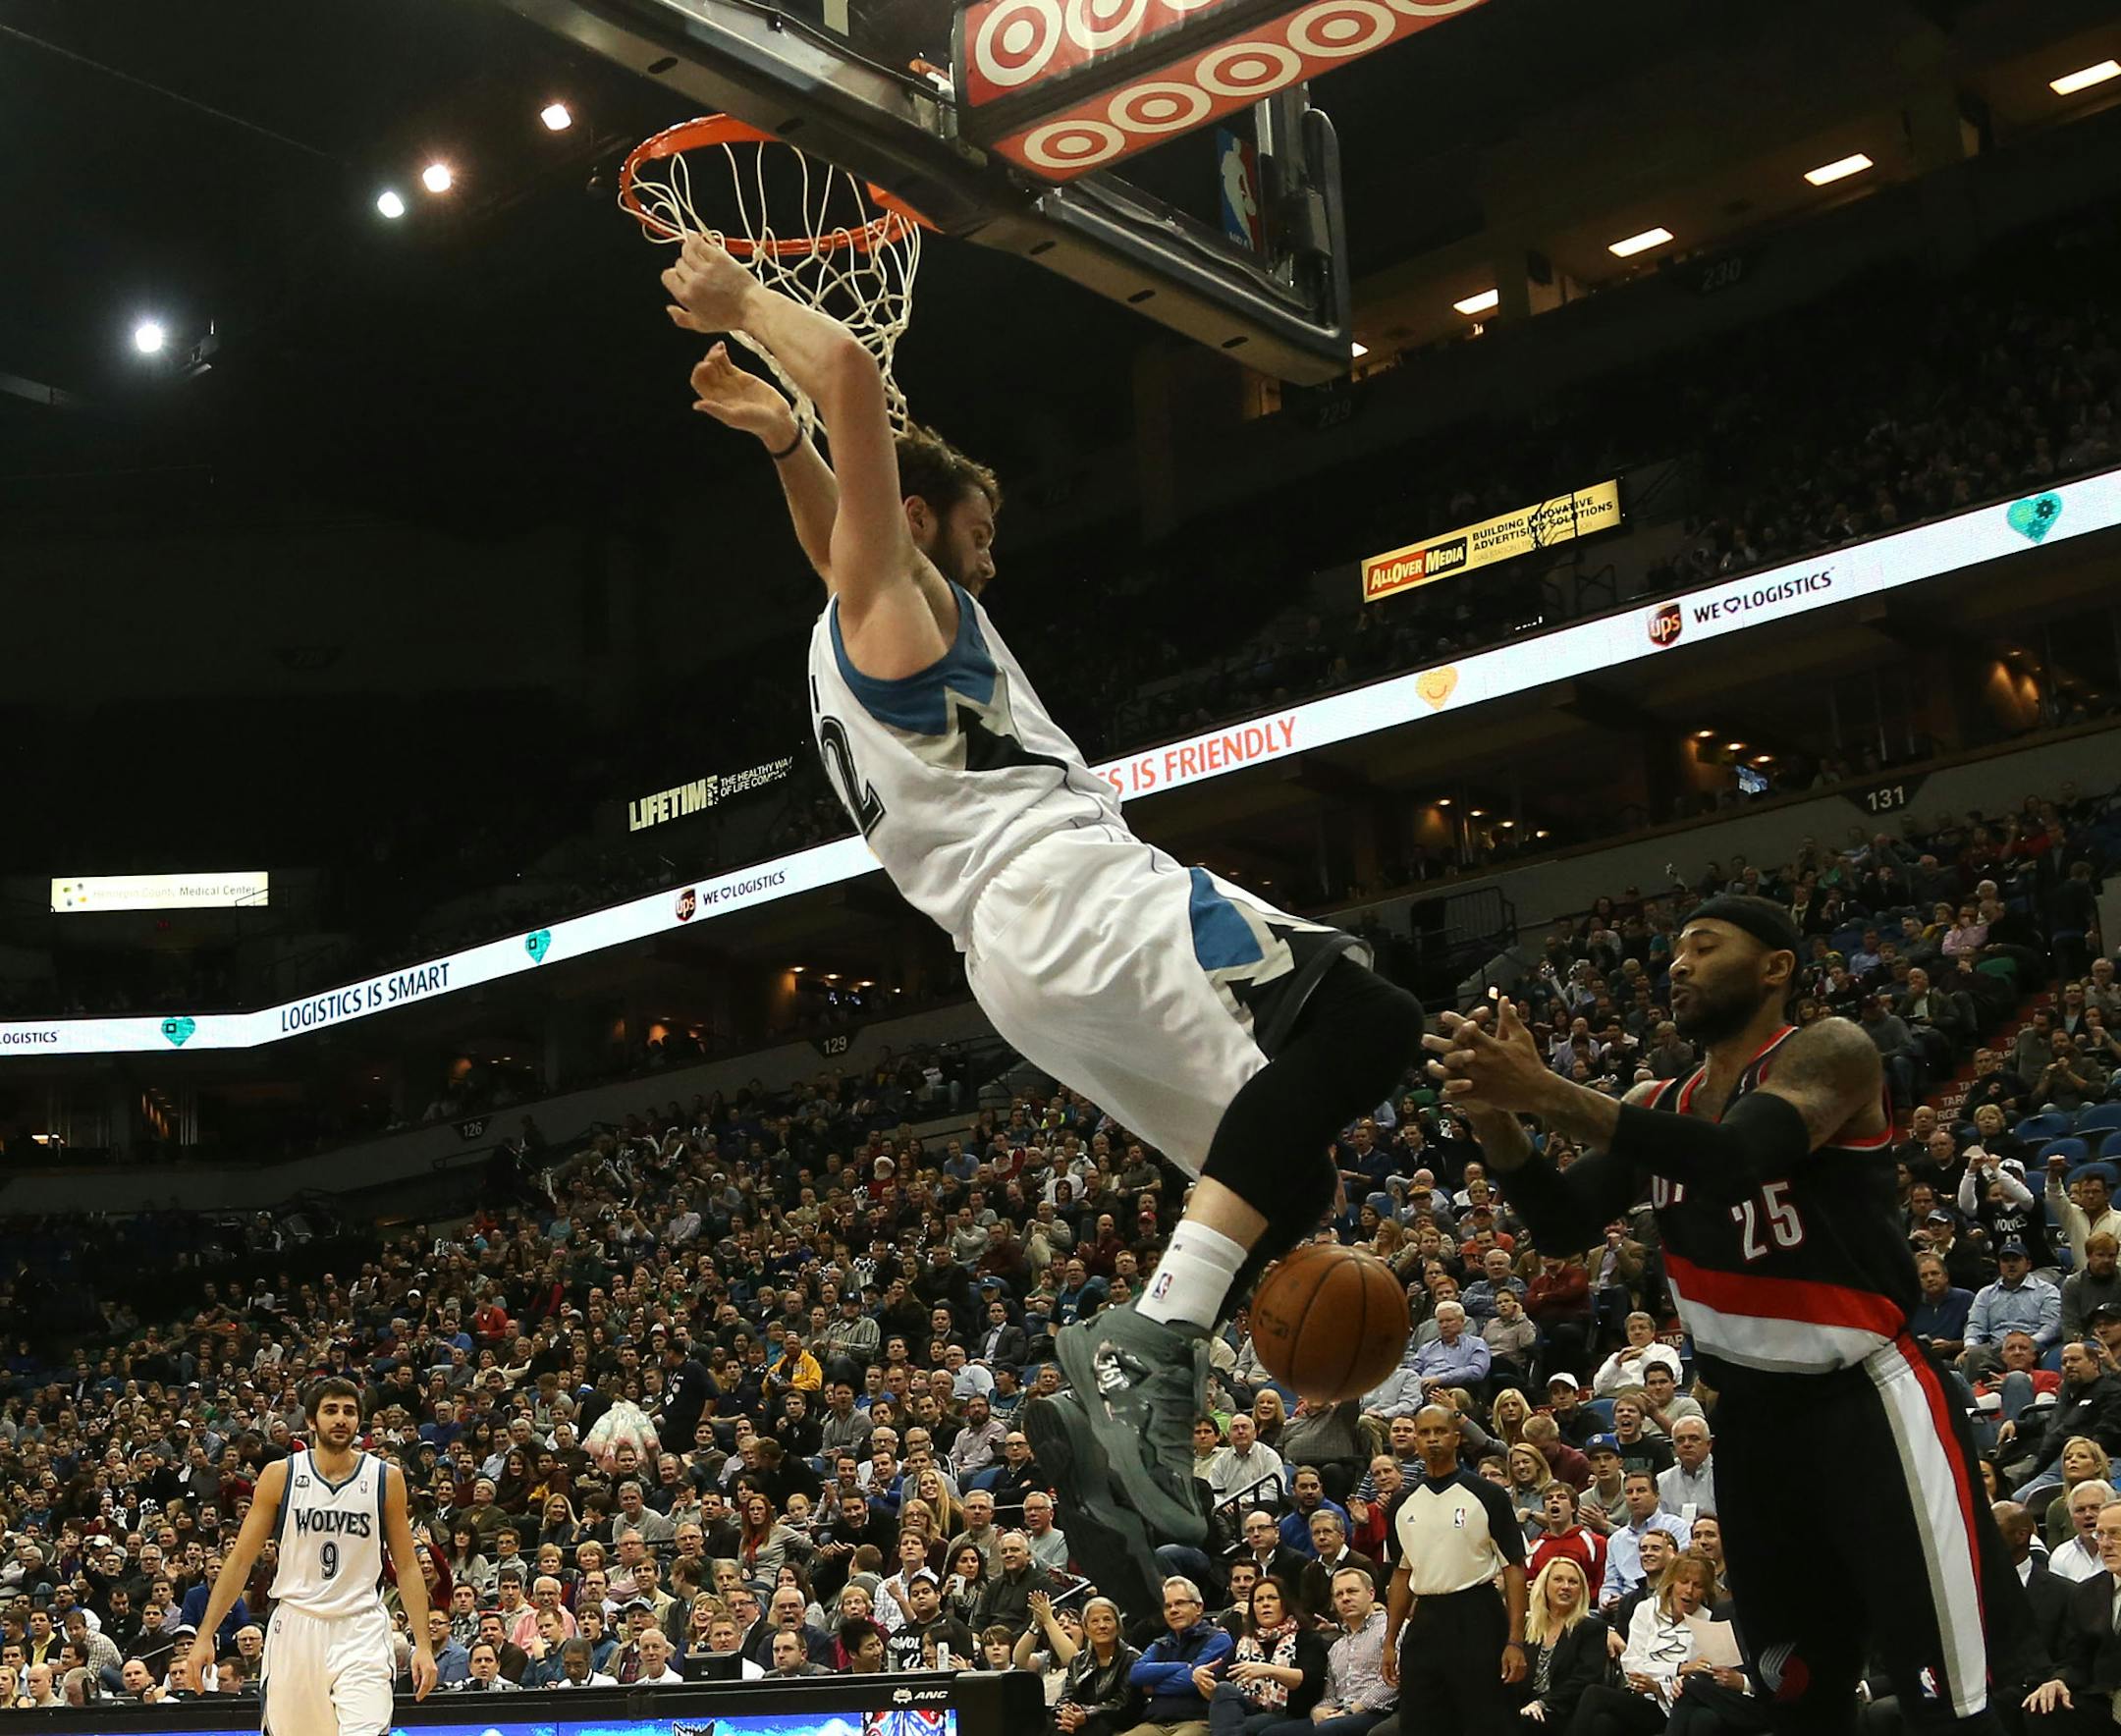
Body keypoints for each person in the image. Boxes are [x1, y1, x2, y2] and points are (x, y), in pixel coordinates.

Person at [664, 234, 1427, 1614]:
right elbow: (852, 375)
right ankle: (1154, 1342)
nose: (991, 562)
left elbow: (834, 534)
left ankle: (1118, 1443)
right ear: (922, 518)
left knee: (1290, 1182)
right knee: (1370, 1019)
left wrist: (782, 441)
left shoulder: (845, 633)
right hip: (1076, 892)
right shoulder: (903, 605)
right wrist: (754, 314)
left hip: (1012, 960)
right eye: (979, 534)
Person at [1428, 895, 2021, 1730]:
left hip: (1869, 1404)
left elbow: (1735, 1154)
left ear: (1776, 968)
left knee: (1950, 1692)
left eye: (1704, 947)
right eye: (1676, 950)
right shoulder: (1660, 1101)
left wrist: (1542, 1088)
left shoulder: (1830, 1050)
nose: (1679, 964)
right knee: (1795, 1689)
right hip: (1750, 1426)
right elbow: (1559, 1223)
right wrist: (1497, 1120)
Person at [184, 1377, 438, 1731]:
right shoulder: (281, 1475)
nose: (341, 1419)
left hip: (361, 1626)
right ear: (311, 1420)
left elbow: (407, 1566)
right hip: (296, 1625)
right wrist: (205, 1634)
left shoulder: (385, 1478)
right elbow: (240, 1559)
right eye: (331, 1410)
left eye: (349, 1411)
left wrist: (422, 1644)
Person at [1377, 1405, 1528, 1735]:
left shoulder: (1488, 1494)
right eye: (1424, 1432)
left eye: (1440, 1431)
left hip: (1478, 1614)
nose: (1432, 1439)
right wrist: (1389, 1640)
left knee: (1487, 1722)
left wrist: (1515, 1641)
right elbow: (1401, 1573)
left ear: (1456, 1438)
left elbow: (1515, 1568)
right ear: (1415, 1440)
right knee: (1420, 1722)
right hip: (1426, 1619)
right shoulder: (1402, 1503)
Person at [1255, 1564, 1394, 1736]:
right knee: (1272, 1734)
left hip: (1376, 1712)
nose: (1345, 1598)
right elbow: (1330, 1695)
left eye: (1352, 1591)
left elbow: (1393, 1684)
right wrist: (1319, 1711)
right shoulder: (1337, 1647)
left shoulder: (1390, 1630)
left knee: (1328, 1730)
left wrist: (1351, 1710)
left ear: (1371, 1594)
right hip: (1339, 1714)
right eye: (1339, 1594)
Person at [2020, 1495, 2121, 1728]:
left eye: (2115, 1534)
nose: (2105, 1544)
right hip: (2105, 1701)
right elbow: (2077, 1659)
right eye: (2100, 1534)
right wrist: (2058, 1680)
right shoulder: (2086, 1593)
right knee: (2043, 1706)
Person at [1119, 1575, 1235, 1736]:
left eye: (1180, 1603)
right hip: (1155, 1722)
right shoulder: (1162, 1643)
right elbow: (1136, 1673)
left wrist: (1153, 1688)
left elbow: (1192, 1682)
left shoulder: (1218, 1639)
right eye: (1168, 1606)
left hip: (1198, 1720)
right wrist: (1185, 1666)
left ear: (1199, 1607)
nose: (1173, 1610)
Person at [1515, 1555, 1608, 1728]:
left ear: (1581, 1590)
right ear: (1544, 1585)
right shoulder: (1526, 1626)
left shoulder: (1591, 1629)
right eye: (1558, 1579)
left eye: (1573, 1582)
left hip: (1564, 1709)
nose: (1565, 1586)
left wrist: (1543, 1703)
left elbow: (1585, 1679)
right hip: (1523, 1705)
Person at [1056, 1596, 1141, 1736]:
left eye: (1107, 1619)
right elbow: (1066, 1697)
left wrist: (1087, 1714)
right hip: (1080, 1721)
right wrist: (1066, 1712)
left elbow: (1123, 1703)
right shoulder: (1078, 1661)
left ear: (1118, 1626)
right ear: (1086, 1629)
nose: (1102, 1626)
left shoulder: (1132, 1658)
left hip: (1116, 1723)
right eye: (1095, 1621)